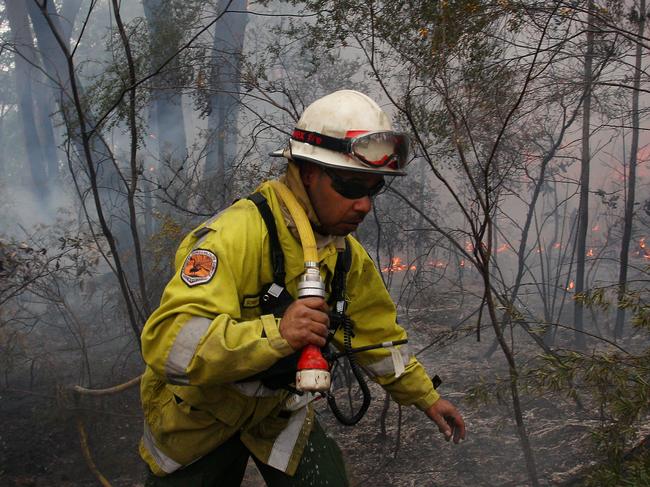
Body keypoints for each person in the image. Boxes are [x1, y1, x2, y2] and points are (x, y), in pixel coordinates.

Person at [139, 89, 466, 486]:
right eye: (350, 186)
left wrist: (425, 397)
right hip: (201, 419)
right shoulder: (236, 235)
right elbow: (169, 345)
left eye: (373, 188)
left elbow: (379, 338)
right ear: (309, 173)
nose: (364, 205)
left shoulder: (344, 256)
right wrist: (278, 334)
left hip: (277, 416)